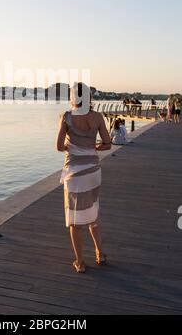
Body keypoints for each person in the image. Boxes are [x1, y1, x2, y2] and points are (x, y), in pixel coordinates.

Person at [56, 82, 111, 273]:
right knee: (93, 212)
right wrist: (92, 147)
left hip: (75, 172)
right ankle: (100, 253)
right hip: (93, 171)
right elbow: (107, 144)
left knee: (75, 220)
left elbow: (59, 146)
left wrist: (72, 148)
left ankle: (80, 262)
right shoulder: (97, 117)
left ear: (73, 97)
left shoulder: (66, 117)